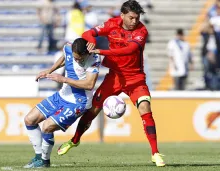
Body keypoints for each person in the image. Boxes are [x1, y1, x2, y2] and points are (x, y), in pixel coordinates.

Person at [57, 0, 165, 167]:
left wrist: (101, 51)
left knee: (145, 108)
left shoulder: (141, 31)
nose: (134, 21)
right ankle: (74, 140)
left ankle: (155, 152)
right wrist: (91, 39)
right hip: (114, 77)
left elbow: (128, 50)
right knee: (93, 109)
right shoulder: (112, 24)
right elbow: (87, 33)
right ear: (122, 15)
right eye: (131, 18)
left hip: (135, 78)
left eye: (136, 18)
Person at [23, 38, 101, 168]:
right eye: (75, 58)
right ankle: (38, 157)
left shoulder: (94, 59)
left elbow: (89, 84)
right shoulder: (68, 48)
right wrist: (50, 70)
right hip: (63, 95)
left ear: (86, 53)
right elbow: (65, 58)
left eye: (79, 58)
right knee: (29, 119)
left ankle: (44, 161)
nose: (77, 61)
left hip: (79, 101)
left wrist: (64, 79)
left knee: (47, 126)